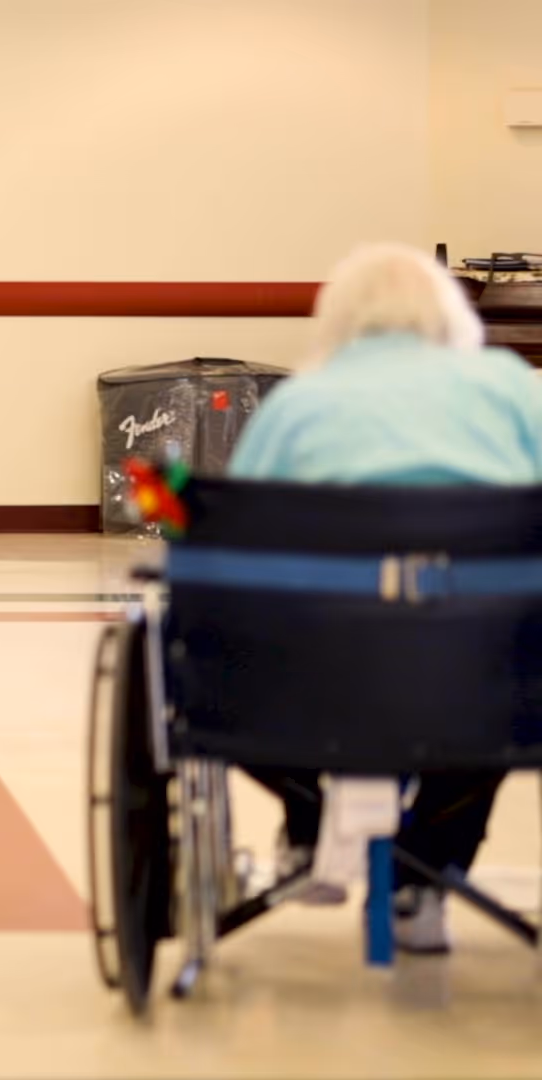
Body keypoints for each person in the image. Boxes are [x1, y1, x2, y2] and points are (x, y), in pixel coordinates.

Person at [228, 240, 541, 953]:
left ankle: (310, 827)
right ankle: (420, 876)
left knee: (236, 661)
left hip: (319, 678)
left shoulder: (302, 399)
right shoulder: (511, 386)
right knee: (503, 691)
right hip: (486, 675)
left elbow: (236, 542)